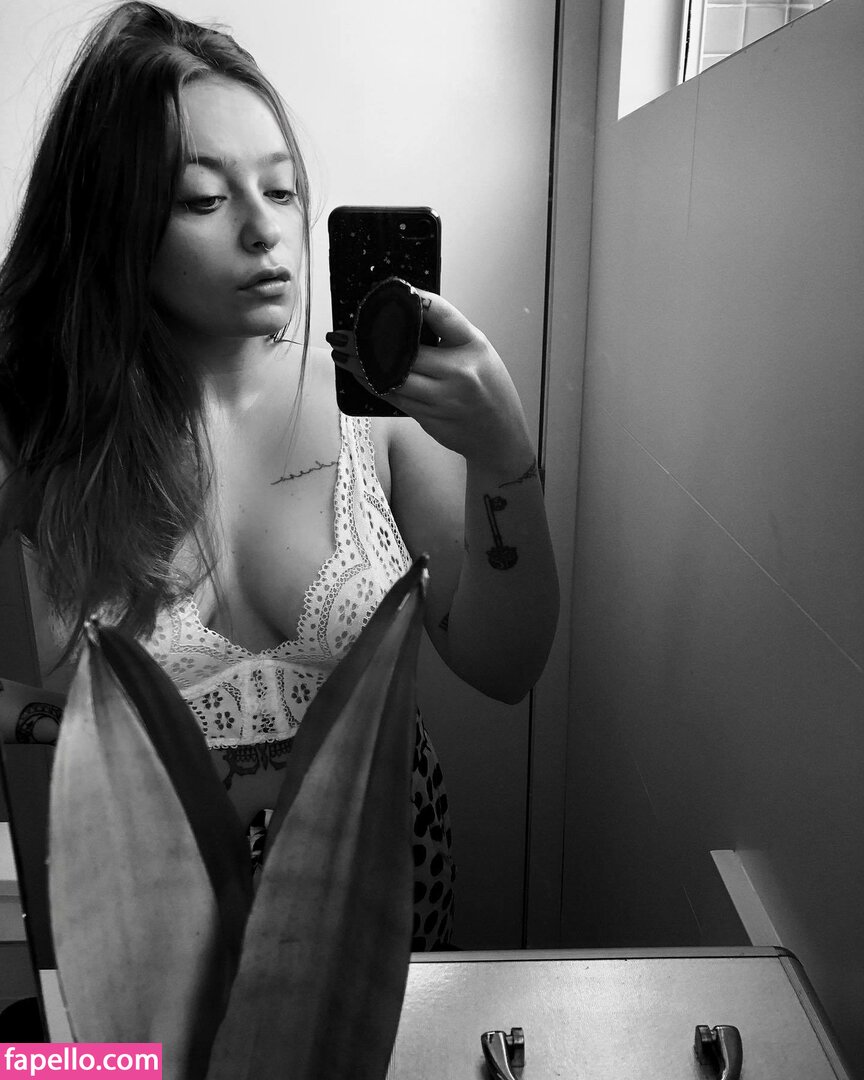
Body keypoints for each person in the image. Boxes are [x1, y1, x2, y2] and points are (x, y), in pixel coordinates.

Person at [0, 1, 559, 950]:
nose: (265, 231)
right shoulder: (42, 429)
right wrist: (68, 731)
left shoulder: (381, 410)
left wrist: (504, 456)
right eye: (203, 199)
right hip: (148, 925)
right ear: (111, 221)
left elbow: (506, 668)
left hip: (381, 913)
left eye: (283, 190)